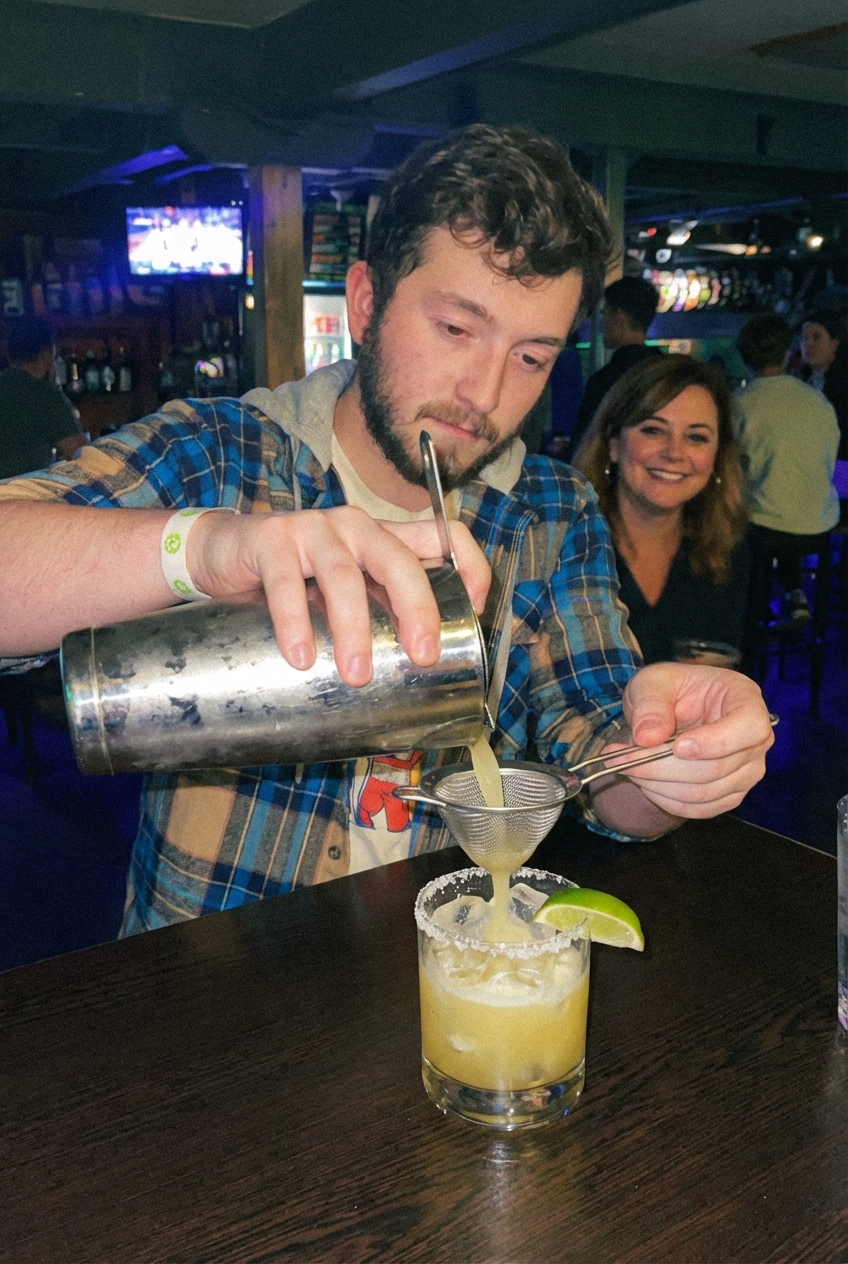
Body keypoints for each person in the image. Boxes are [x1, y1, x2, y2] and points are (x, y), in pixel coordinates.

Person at [0, 125, 773, 934]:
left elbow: (599, 762)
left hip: (431, 956)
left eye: (531, 357)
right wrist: (207, 547)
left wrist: (675, 759)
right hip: (214, 974)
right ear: (366, 304)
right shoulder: (226, 454)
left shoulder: (551, 511)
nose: (484, 394)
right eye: (457, 329)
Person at [573, 355, 750, 665]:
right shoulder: (565, 547)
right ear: (613, 444)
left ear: (717, 457)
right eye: (653, 430)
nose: (673, 453)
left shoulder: (730, 554)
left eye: (696, 437)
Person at [734, 313, 840, 629]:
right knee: (780, 503)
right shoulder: (816, 400)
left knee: (742, 516)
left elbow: (730, 468)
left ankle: (746, 617)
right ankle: (792, 596)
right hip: (819, 521)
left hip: (766, 526)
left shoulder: (740, 403)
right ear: (786, 353)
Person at [568, 275, 662, 458]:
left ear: (619, 318)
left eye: (605, 314)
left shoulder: (605, 381)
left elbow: (584, 446)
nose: (602, 326)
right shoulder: (668, 373)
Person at [0, 316, 84, 479]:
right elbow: (79, 454)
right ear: (48, 353)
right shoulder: (44, 394)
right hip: (22, 491)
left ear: (9, 355)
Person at [799, 309, 847, 461]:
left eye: (816, 338)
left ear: (835, 342)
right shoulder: (798, 383)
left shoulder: (843, 388)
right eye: (804, 338)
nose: (808, 344)